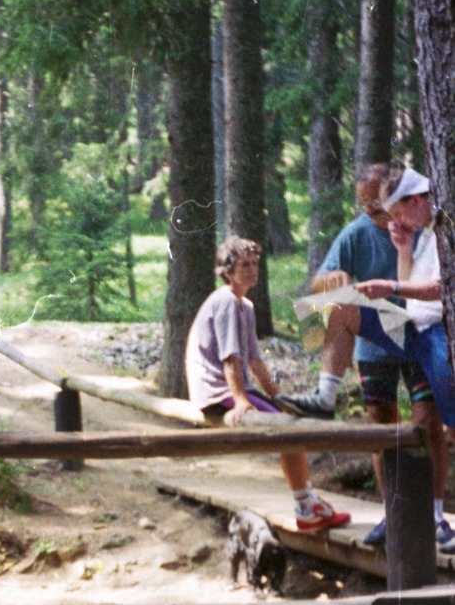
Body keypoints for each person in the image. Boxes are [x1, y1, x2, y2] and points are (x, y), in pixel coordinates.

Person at [284, 167, 455, 549]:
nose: (377, 214)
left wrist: (394, 275)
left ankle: (434, 516)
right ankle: (392, 511)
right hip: (380, 341)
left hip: (421, 332)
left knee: (428, 424)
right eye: (367, 206)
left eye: (380, 206)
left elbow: (427, 291)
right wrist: (334, 280)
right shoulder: (358, 233)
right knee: (382, 428)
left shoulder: (436, 225)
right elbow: (321, 283)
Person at [185, 236, 351, 532]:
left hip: (229, 386)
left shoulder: (245, 305)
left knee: (286, 419)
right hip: (215, 389)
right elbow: (230, 358)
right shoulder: (225, 302)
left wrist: (276, 397)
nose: (251, 270)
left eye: (254, 264)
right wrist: (239, 400)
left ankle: (307, 503)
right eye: (243, 265)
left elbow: (254, 361)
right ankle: (306, 508)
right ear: (227, 272)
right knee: (288, 431)